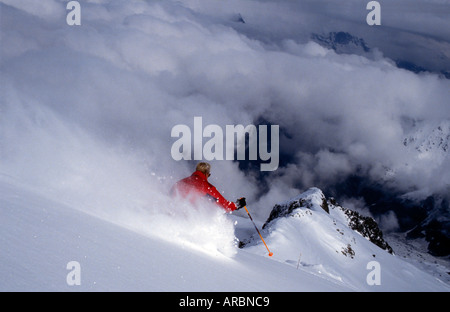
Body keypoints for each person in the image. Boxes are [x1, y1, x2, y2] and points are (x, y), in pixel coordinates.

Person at [171, 162, 246, 213]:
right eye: (209, 175)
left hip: (171, 215)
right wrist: (237, 205)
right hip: (187, 219)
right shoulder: (206, 186)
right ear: (206, 174)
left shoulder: (180, 182)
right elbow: (223, 204)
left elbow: (168, 195)